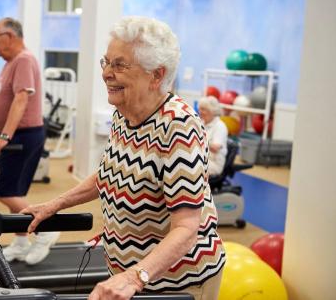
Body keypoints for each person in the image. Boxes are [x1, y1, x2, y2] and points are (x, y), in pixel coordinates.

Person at [21, 16, 226, 300]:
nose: (106, 73)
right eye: (106, 62)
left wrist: (135, 276)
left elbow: (187, 228)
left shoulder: (179, 125)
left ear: (156, 75)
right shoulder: (124, 113)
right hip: (129, 274)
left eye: (119, 64)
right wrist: (55, 204)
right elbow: (109, 174)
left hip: (175, 283)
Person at [0, 17, 60, 265]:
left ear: (10, 36)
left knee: (5, 192)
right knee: (14, 192)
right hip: (18, 134)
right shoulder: (11, 62)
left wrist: (5, 136)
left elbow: (20, 100)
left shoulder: (24, 60)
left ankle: (46, 229)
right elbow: (6, 102)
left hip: (24, 136)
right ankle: (19, 242)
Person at [198, 96, 228, 176]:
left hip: (213, 163)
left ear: (212, 111)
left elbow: (215, 148)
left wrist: (198, 139)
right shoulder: (202, 123)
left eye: (203, 109)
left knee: (191, 166)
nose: (200, 112)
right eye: (200, 109)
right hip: (201, 158)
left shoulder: (220, 126)